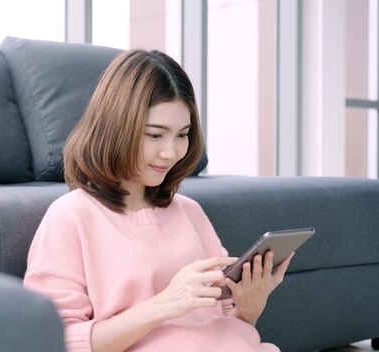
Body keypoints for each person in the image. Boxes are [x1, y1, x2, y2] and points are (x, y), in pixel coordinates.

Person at [23, 49, 293, 352]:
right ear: (115, 128)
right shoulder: (72, 215)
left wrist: (249, 307)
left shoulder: (189, 212)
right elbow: (54, 341)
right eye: (155, 135)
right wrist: (164, 304)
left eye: (182, 134)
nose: (171, 152)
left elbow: (221, 327)